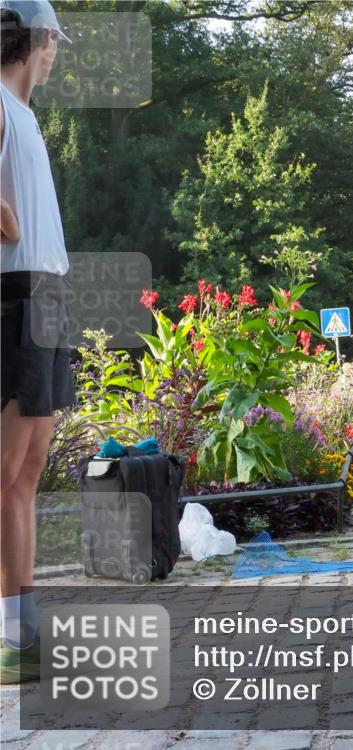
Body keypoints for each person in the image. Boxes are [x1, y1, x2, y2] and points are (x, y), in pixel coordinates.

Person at [1, 0, 74, 684]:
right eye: (53, 41)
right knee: (4, 470)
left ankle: (21, 634)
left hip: (49, 293)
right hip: (13, 293)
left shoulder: (25, 116)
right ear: (36, 38)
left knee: (28, 471)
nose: (55, 54)